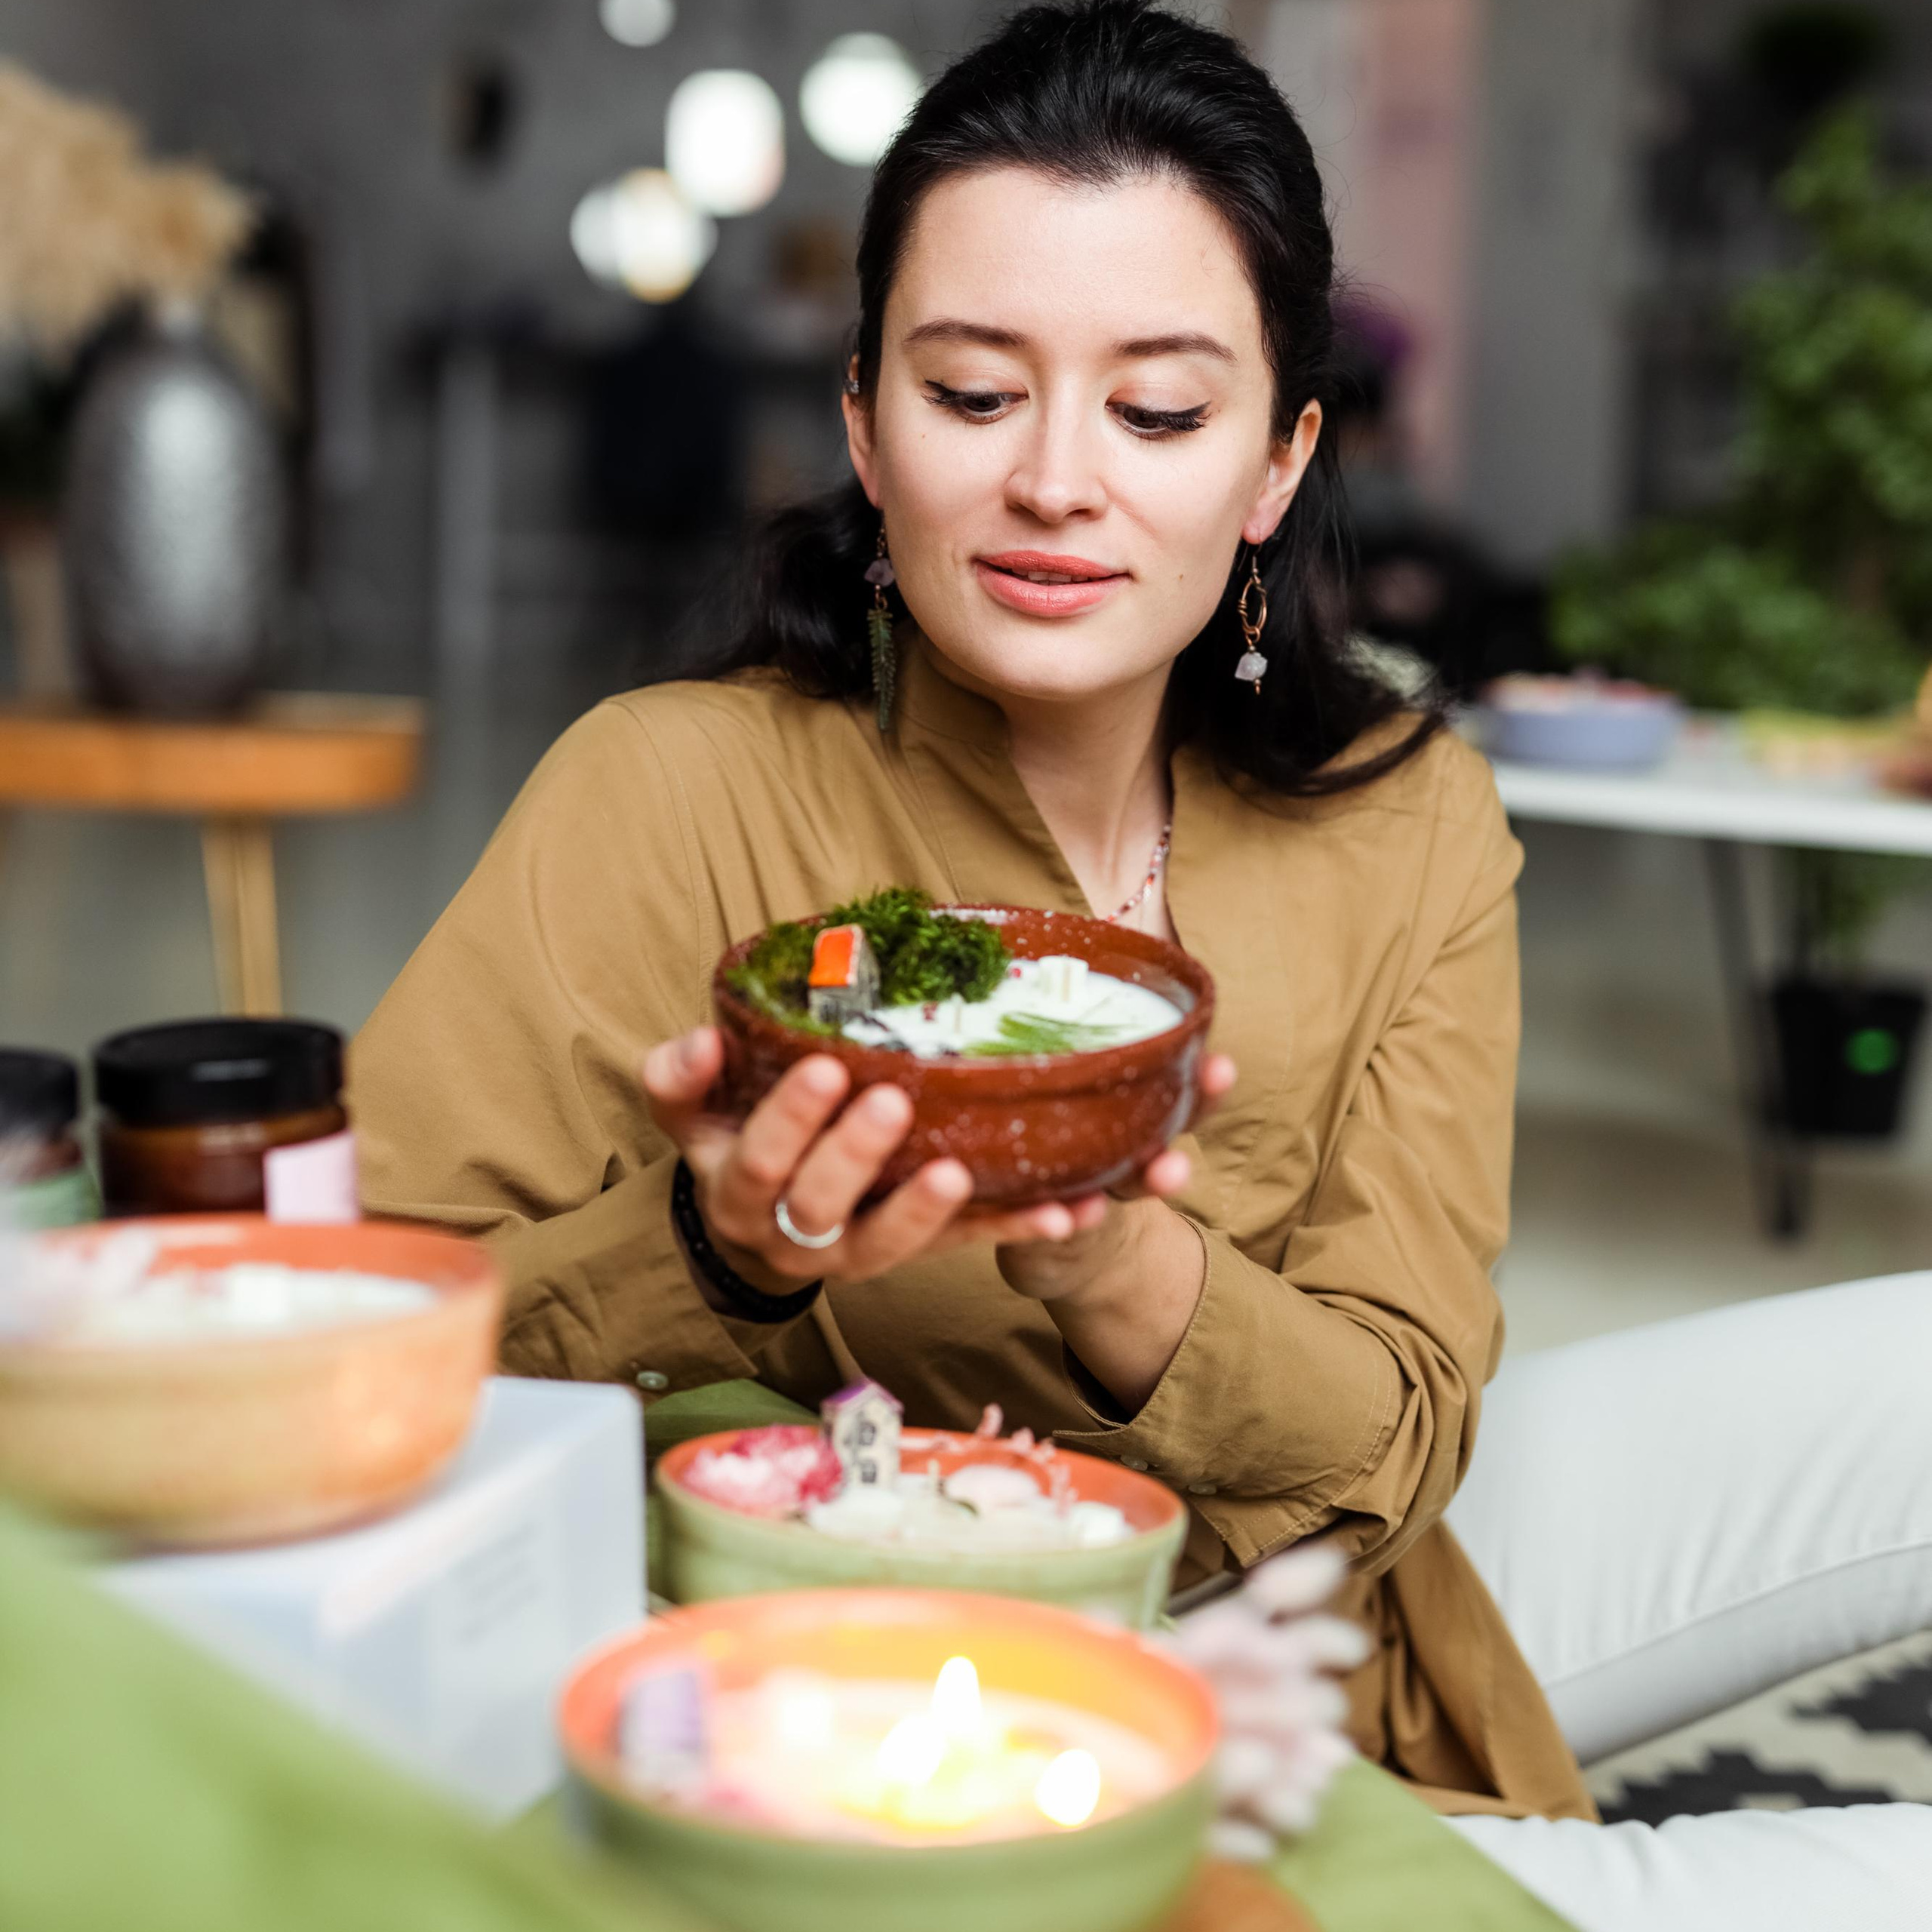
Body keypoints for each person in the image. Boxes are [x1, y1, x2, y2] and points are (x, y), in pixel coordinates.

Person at [352, 5, 1932, 1924]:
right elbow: (367, 1349)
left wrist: (1124, 1260)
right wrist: (713, 1252)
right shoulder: (670, 787)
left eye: (1159, 412)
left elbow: (1399, 1438)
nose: (1053, 483)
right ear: (861, 418)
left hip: (1340, 1585)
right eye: (972, 392)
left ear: (1276, 459)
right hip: (940, 1676)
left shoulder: (1405, 814)